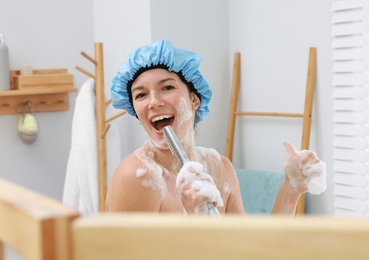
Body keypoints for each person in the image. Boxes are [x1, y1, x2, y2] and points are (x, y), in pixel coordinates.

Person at [106, 39, 327, 215]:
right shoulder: (137, 176)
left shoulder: (220, 168)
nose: (154, 101)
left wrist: (291, 188)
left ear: (194, 100)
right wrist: (196, 220)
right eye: (141, 94)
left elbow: (251, 251)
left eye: (167, 87)